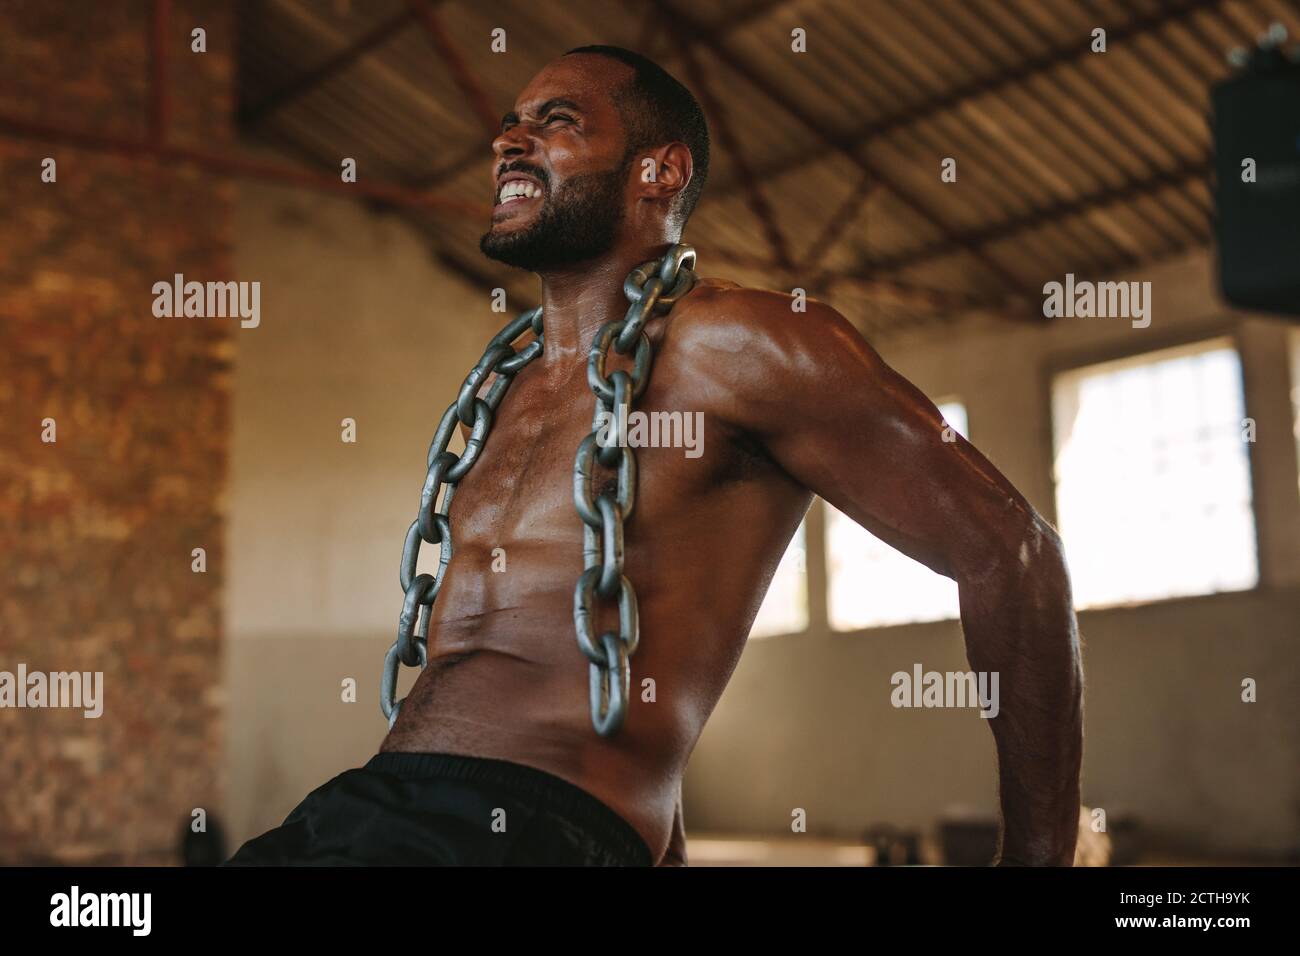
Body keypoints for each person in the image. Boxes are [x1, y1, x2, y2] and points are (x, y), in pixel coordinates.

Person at [227, 45, 1082, 868]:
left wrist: (1038, 858)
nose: (507, 142)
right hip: (372, 806)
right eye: (509, 124)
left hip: (526, 824)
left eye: (556, 121)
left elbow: (1013, 552)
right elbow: (623, 639)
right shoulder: (507, 385)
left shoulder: (746, 342)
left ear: (658, 171)